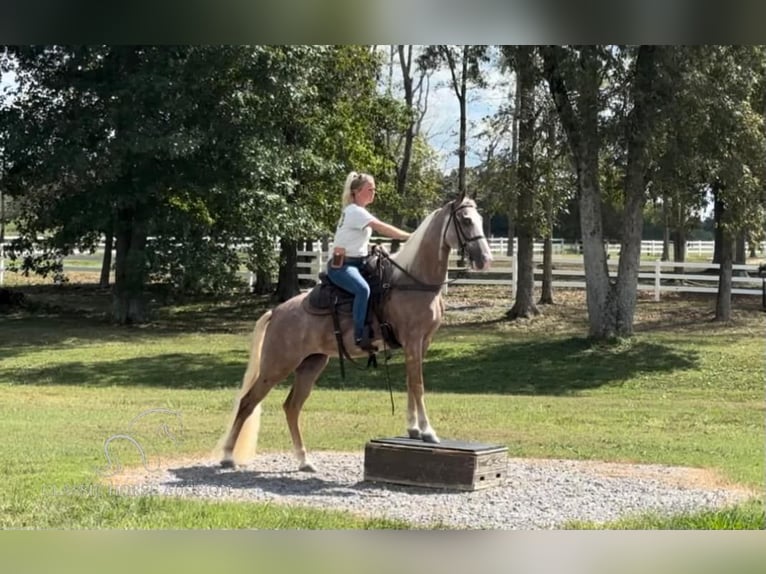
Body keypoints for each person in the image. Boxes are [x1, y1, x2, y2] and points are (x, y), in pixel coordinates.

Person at [327, 171, 410, 352]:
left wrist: (372, 246)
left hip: (356, 262)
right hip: (343, 266)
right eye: (369, 189)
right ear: (356, 191)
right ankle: (359, 334)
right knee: (362, 289)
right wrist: (410, 236)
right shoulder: (355, 212)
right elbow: (381, 227)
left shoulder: (355, 212)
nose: (374, 192)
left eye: (374, 189)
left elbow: (353, 240)